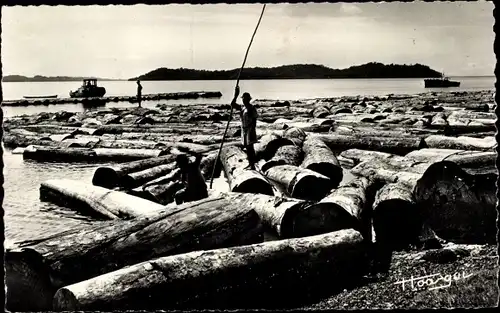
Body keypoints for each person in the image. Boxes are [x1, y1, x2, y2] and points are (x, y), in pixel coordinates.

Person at [231, 86, 258, 170]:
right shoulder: (242, 108)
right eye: (243, 99)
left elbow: (254, 120)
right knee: (246, 146)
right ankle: (250, 163)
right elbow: (232, 104)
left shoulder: (251, 108)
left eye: (245, 99)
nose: (243, 100)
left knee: (250, 147)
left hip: (249, 129)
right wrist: (236, 95)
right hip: (244, 129)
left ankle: (252, 164)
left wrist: (251, 130)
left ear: (248, 99)